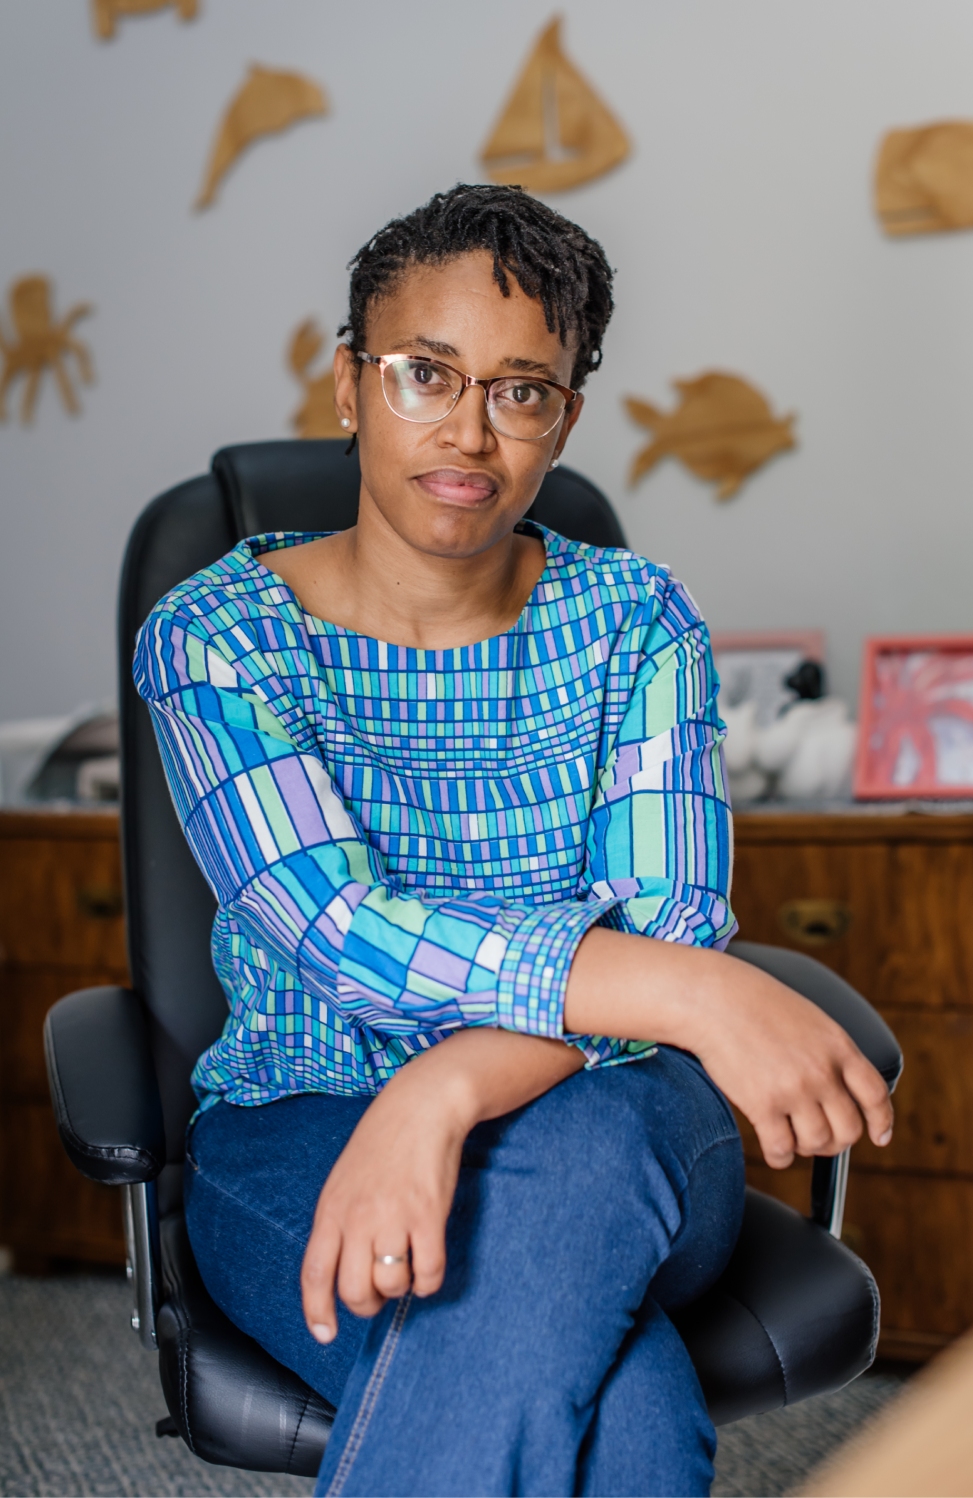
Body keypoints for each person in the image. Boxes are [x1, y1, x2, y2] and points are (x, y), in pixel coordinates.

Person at [134, 184, 893, 1498]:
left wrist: (442, 1089)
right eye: (426, 373)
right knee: (628, 1396)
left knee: (589, 1158)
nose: (468, 430)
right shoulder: (218, 634)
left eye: (521, 388)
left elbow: (664, 925)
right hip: (301, 1123)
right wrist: (685, 985)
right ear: (349, 385)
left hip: (620, 1114)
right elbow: (337, 929)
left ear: (566, 419)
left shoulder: (638, 620)